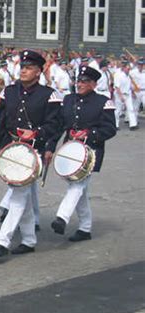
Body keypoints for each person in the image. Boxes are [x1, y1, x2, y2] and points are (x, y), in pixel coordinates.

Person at [0, 49, 62, 258]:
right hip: (10, 148)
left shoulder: (49, 95)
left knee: (19, 194)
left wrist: (37, 134)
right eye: (23, 67)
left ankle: (3, 241)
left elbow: (54, 125)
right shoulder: (9, 92)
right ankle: (29, 239)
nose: (24, 71)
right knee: (22, 194)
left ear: (39, 72)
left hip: (32, 150)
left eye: (29, 68)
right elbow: (0, 124)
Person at [50, 66, 116, 241]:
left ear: (94, 84)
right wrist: (51, 146)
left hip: (91, 150)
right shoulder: (69, 99)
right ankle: (85, 228)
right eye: (78, 81)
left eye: (85, 81)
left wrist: (89, 134)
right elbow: (60, 125)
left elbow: (110, 129)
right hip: (70, 149)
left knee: (77, 184)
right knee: (80, 191)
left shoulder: (104, 102)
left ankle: (62, 217)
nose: (79, 84)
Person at [113, 61, 138, 130]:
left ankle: (133, 125)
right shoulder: (119, 76)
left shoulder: (128, 76)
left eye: (129, 68)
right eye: (127, 68)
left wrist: (133, 93)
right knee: (118, 110)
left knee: (131, 109)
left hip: (128, 94)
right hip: (120, 94)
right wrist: (121, 96)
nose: (128, 70)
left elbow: (129, 86)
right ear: (123, 68)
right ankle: (115, 124)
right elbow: (117, 87)